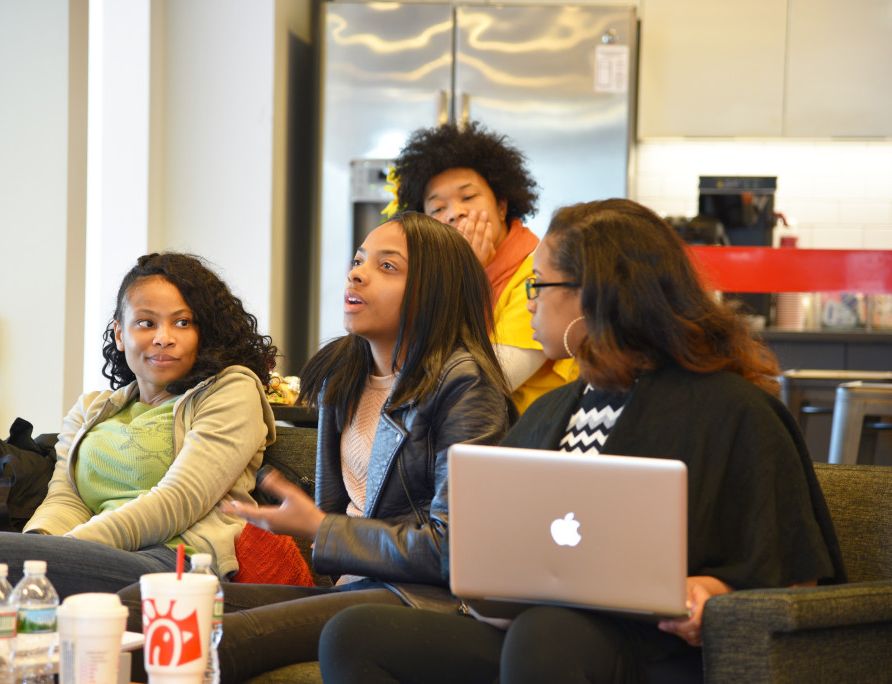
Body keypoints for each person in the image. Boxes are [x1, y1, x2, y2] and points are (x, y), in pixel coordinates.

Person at [317, 199, 846, 684]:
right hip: (536, 631)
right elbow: (479, 544)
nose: (526, 305)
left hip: (655, 650)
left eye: (538, 285)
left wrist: (716, 595)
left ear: (592, 296)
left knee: (548, 636)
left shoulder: (737, 413)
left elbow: (799, 585)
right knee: (355, 635)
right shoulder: (552, 411)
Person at [117, 212, 515, 683]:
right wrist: (312, 525)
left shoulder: (465, 384)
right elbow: (330, 518)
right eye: (358, 260)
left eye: (387, 267)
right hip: (356, 589)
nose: (357, 273)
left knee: (216, 636)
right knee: (140, 606)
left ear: (434, 292)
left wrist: (321, 528)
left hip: (425, 599)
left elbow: (453, 551)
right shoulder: (341, 375)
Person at [0, 252, 278, 628]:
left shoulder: (230, 391)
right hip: (87, 550)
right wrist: (38, 547)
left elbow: (177, 501)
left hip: (175, 561)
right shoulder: (94, 408)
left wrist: (53, 553)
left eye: (182, 322)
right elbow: (66, 499)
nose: (163, 337)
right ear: (120, 334)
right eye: (146, 322)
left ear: (204, 333)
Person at [391, 122, 576, 414]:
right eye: (437, 208)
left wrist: (465, 277)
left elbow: (478, 385)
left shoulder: (538, 275)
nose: (455, 213)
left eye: (468, 197)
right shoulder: (432, 282)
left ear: (502, 206)